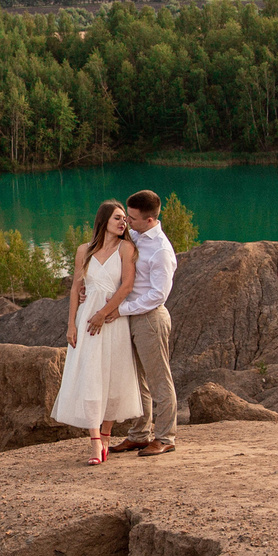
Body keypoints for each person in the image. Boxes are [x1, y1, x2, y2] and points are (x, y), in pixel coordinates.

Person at [49, 200, 144, 463]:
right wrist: (71, 324)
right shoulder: (84, 250)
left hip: (112, 320)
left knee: (112, 379)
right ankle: (94, 445)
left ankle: (106, 438)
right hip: (86, 320)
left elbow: (126, 286)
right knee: (89, 377)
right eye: (117, 218)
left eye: (125, 219)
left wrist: (103, 314)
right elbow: (75, 289)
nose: (123, 222)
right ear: (103, 221)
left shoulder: (127, 248)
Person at [110, 188, 179, 456]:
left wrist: (123, 309)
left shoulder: (161, 250)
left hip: (149, 319)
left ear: (150, 220)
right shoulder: (135, 236)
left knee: (159, 379)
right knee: (138, 381)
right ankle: (139, 434)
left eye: (133, 218)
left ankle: (165, 437)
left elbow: (158, 295)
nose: (128, 222)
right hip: (130, 316)